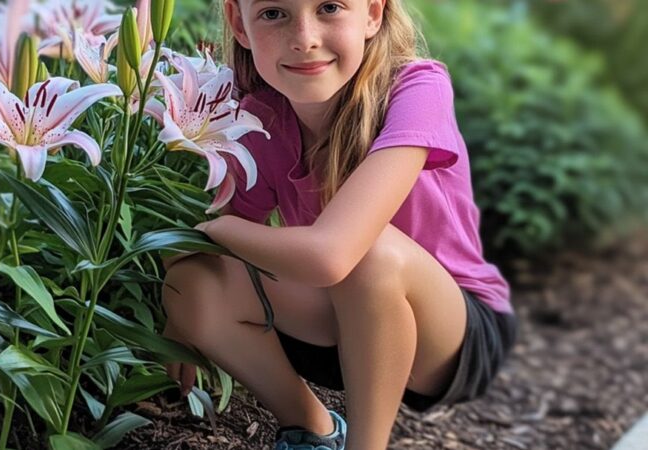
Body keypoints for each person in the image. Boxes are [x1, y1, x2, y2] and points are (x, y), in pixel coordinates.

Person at [160, 0, 518, 448]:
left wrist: (212, 231)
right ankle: (312, 430)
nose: (305, 38)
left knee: (368, 254)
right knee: (193, 280)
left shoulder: (417, 88)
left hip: (452, 334)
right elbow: (223, 255)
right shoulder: (260, 116)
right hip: (339, 321)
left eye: (329, 7)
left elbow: (331, 256)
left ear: (372, 13)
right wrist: (181, 314)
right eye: (274, 13)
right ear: (239, 24)